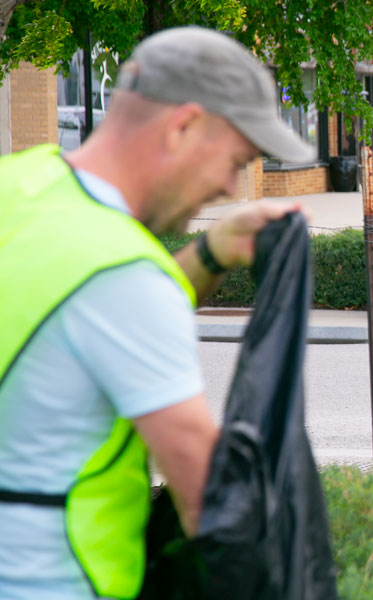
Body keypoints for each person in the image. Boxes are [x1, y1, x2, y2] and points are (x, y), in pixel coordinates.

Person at [0, 27, 315, 599]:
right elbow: (210, 508)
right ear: (184, 125)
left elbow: (81, 314)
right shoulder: (123, 274)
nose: (227, 186)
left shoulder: (19, 188)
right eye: (235, 160)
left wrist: (213, 253)